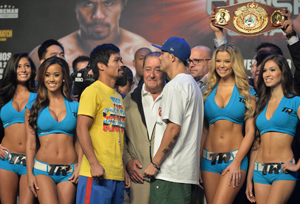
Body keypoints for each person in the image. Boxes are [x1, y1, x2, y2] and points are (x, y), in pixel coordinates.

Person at [144, 37, 203, 203]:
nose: (159, 57)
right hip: (184, 173)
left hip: (171, 173)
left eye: (162, 53)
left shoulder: (175, 85)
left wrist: (155, 163)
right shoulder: (191, 84)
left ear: (172, 56)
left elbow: (174, 128)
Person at [29, 0, 152, 75]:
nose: (98, 15)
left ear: (123, 3)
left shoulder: (147, 52)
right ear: (75, 5)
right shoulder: (39, 56)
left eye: (108, 3)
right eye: (87, 3)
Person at [201, 44, 256, 204]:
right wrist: (198, 164)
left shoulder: (247, 91)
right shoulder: (207, 90)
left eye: (227, 61)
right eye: (218, 61)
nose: (222, 65)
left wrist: (237, 161)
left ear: (235, 63)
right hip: (208, 160)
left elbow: (251, 131)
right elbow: (204, 131)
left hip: (234, 159)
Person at [76, 44, 130, 204]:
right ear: (101, 65)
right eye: (117, 60)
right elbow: (81, 127)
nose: (121, 64)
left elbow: (115, 136)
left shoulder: (118, 96)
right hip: (96, 174)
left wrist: (123, 168)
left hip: (116, 174)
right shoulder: (93, 91)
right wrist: (94, 164)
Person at [25, 57, 81, 204]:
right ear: (42, 77)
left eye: (56, 75)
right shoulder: (32, 106)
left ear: (63, 77)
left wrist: (80, 166)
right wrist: (29, 174)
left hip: (69, 172)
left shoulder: (75, 106)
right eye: (47, 75)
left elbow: (79, 141)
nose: (51, 79)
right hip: (43, 171)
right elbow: (31, 144)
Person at [246, 55, 299, 204]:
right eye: (264, 71)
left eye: (272, 70)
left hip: (282, 172)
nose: (267, 74)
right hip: (259, 172)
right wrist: (249, 178)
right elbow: (257, 144)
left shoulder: (295, 101)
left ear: (283, 73)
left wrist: (297, 165)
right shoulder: (261, 103)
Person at [123, 52, 167, 204]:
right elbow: (119, 137)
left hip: (168, 175)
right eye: (148, 69)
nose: (152, 75)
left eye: (158, 69)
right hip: (140, 177)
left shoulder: (175, 96)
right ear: (142, 71)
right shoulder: (129, 99)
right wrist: (128, 160)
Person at [0, 53, 36, 204]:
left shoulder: (39, 96)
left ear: (32, 70)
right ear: (12, 70)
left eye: (27, 66)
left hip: (31, 162)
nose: (23, 70)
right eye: (19, 66)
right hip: (6, 160)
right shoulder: (3, 96)